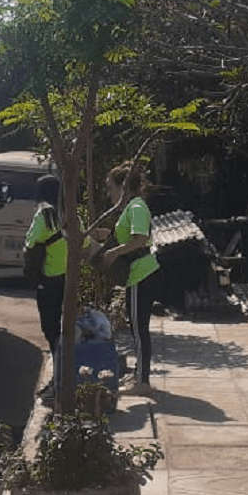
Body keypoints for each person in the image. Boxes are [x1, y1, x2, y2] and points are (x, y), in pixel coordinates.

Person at [100, 162, 163, 397]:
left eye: (111, 188)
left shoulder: (137, 207)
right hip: (137, 274)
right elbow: (126, 237)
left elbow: (140, 238)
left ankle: (142, 381)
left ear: (124, 187)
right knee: (137, 327)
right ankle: (139, 374)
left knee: (138, 328)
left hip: (140, 273)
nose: (109, 194)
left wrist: (114, 253)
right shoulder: (132, 207)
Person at [24, 175, 67, 401]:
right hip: (68, 282)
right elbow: (85, 244)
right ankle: (61, 379)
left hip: (48, 281)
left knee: (51, 332)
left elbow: (30, 243)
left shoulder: (44, 215)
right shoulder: (70, 216)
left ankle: (57, 382)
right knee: (63, 331)